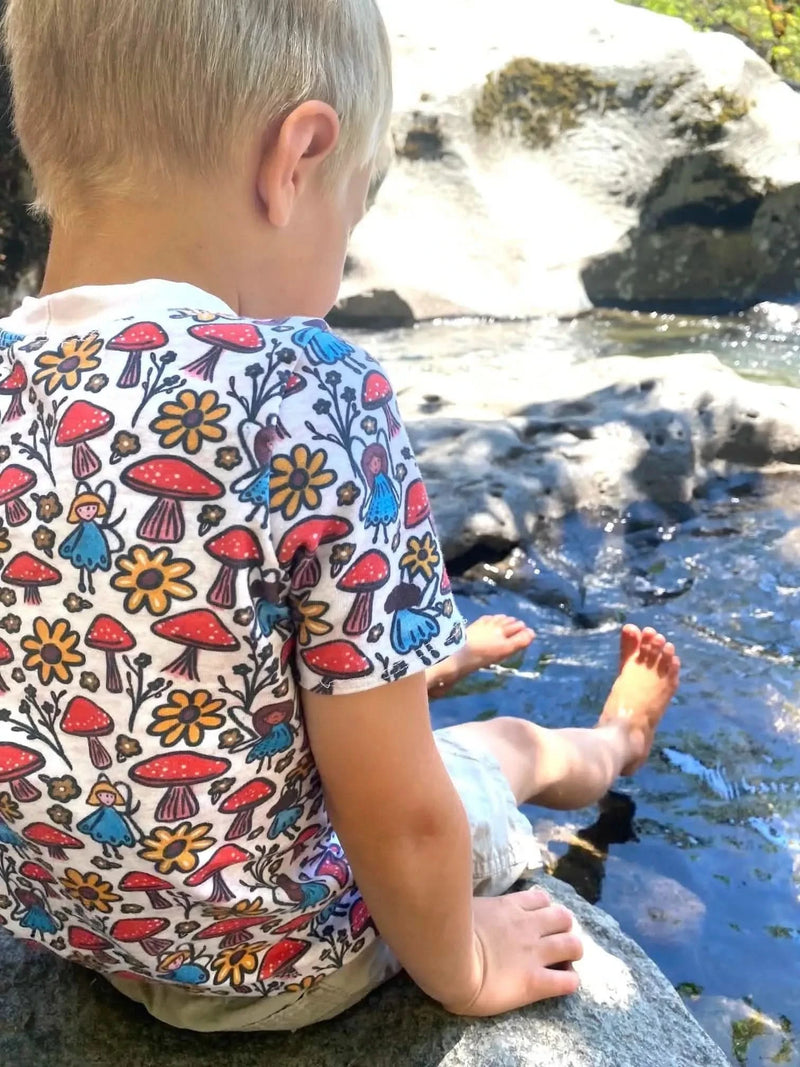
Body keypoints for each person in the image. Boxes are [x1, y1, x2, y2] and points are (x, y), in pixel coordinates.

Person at [0, 0, 681, 1033]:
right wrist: (464, 964)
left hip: (75, 924)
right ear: (299, 158)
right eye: (354, 211)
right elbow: (399, 816)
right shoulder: (308, 389)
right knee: (503, 745)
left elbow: (103, 636)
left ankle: (419, 661)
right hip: (280, 956)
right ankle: (614, 740)